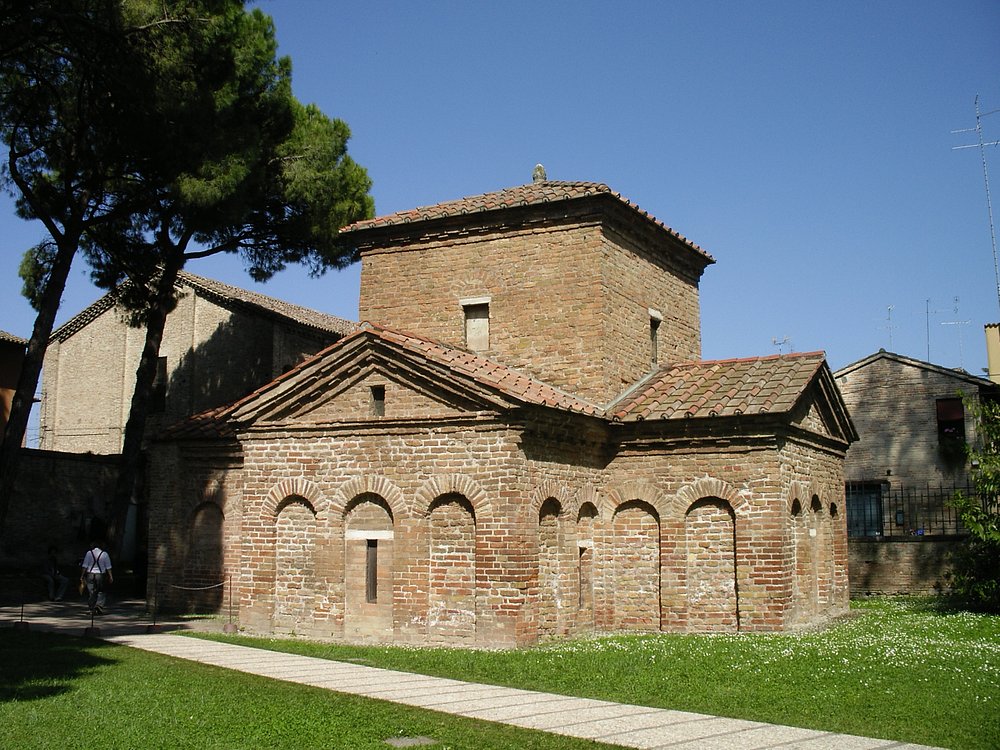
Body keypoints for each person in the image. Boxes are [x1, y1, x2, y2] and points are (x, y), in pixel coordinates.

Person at [80, 540, 113, 615]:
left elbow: (85, 565)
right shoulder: (104, 554)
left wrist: (82, 575)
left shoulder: (89, 553)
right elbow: (108, 567)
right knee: (101, 591)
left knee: (91, 592)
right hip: (100, 574)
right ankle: (99, 606)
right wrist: (110, 576)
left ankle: (91, 608)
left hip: (90, 574)